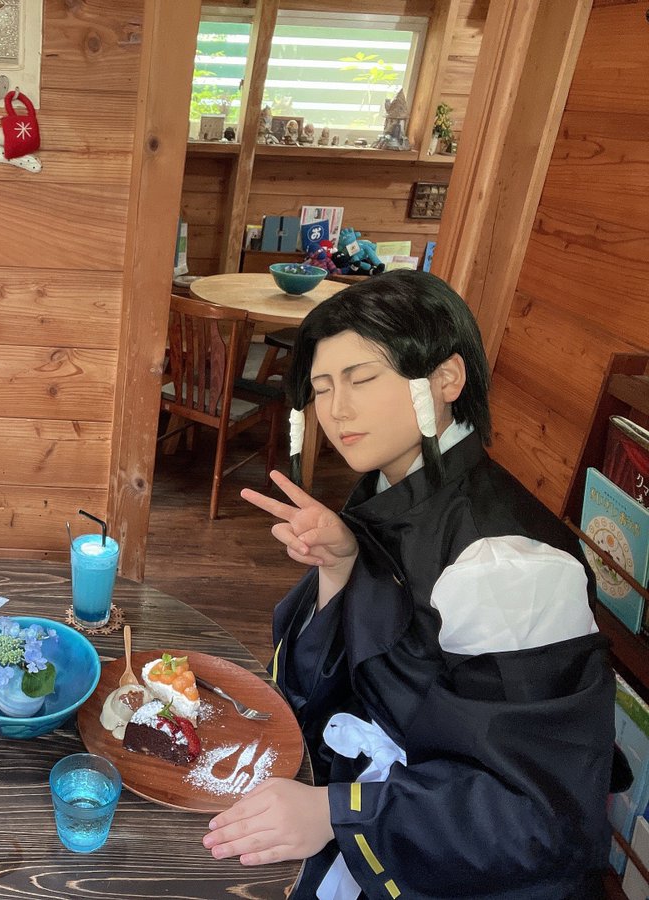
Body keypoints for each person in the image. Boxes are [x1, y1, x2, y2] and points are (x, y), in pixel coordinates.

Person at [203, 270, 613, 898]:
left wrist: (337, 814)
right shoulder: (390, 491)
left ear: (446, 379)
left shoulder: (507, 565)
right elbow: (334, 680)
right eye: (321, 388)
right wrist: (340, 566)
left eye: (362, 378)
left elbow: (539, 816)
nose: (337, 410)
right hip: (382, 801)